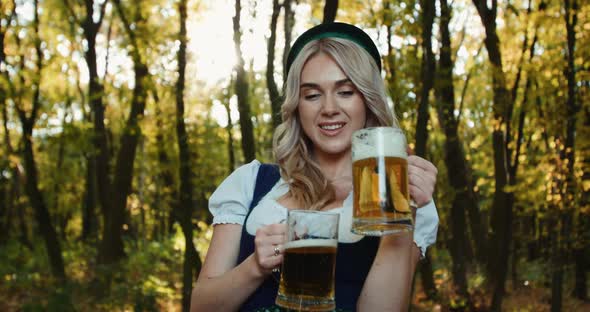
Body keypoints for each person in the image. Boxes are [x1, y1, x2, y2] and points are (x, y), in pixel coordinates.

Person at [190, 22, 439, 312]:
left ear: (368, 102)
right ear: (297, 106)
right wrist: (254, 267)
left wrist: (402, 216)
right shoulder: (250, 183)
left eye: (346, 92)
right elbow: (200, 307)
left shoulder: (399, 197)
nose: (329, 108)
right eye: (312, 95)